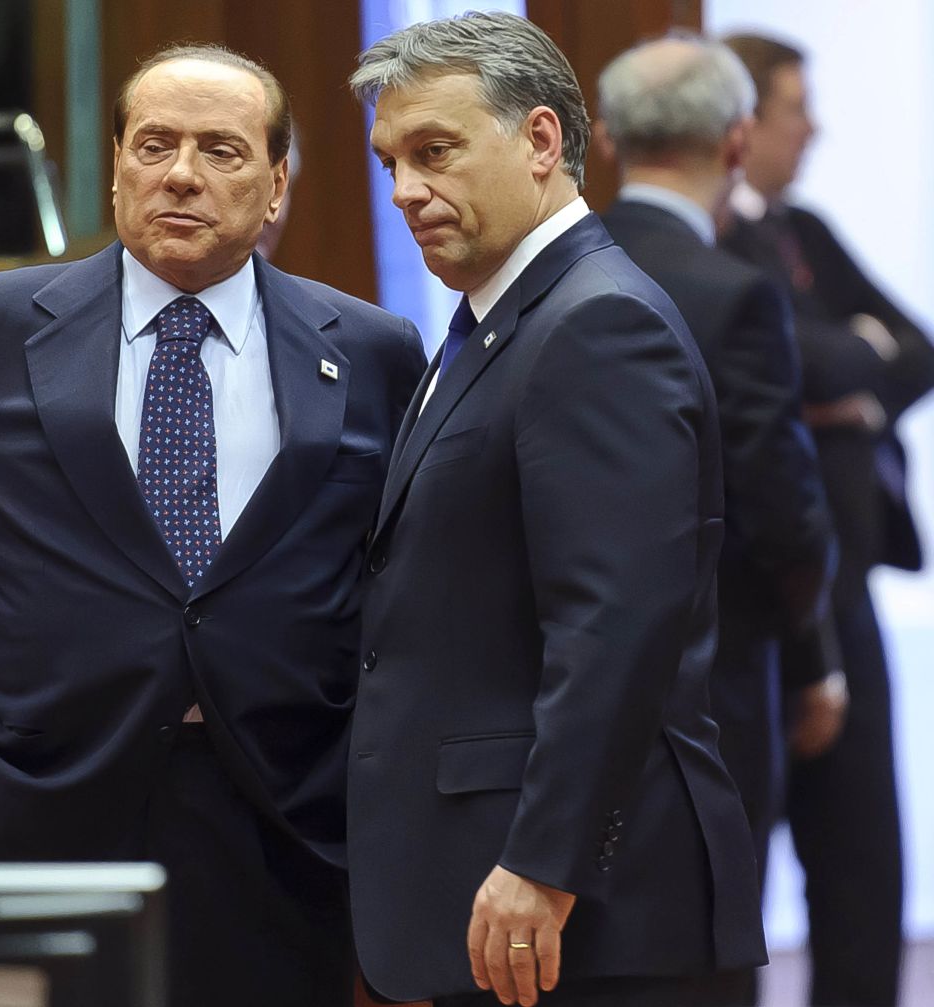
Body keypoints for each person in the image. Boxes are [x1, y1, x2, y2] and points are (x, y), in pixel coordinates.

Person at [0, 44, 426, 1007]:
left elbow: (401, 578)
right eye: (155, 144)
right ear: (118, 163)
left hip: (277, 818)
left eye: (221, 150)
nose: (181, 174)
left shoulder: (372, 349)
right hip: (29, 804)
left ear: (275, 183)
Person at [346, 12, 765, 1007]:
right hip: (520, 905)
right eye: (389, 160)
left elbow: (614, 625)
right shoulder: (502, 318)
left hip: (578, 913)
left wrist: (543, 859)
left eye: (434, 151)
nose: (404, 189)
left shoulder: (596, 322)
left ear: (539, 140)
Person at [596, 38, 842, 1002]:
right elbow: (783, 509)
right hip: (719, 674)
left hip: (574, 681)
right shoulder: (734, 292)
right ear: (738, 141)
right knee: (708, 943)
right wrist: (809, 642)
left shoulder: (556, 274)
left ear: (607, 138)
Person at [721, 33, 934, 1007]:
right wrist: (837, 366)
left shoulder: (801, 227)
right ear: (744, 122)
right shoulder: (700, 243)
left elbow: (911, 352)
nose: (813, 129)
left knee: (863, 869)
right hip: (746, 611)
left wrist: (838, 384)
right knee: (729, 885)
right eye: (796, 108)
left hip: (842, 587)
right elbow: (814, 360)